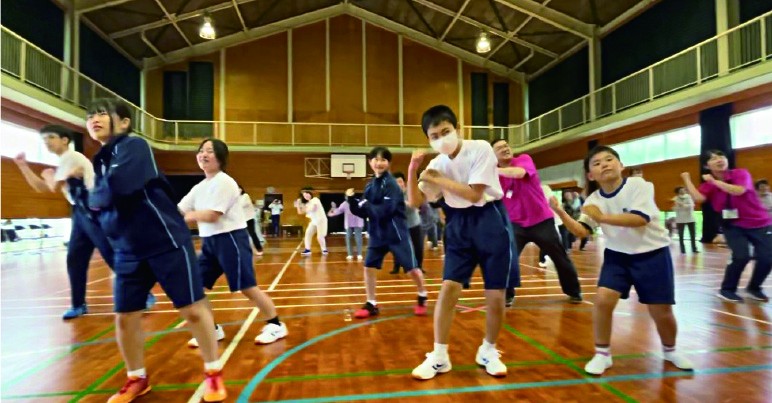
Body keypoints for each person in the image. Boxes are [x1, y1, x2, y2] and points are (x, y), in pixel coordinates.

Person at [85, 98, 225, 402]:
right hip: (127, 250)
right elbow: (99, 207)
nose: (94, 118)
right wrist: (95, 201)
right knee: (125, 316)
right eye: (90, 115)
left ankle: (213, 373)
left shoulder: (134, 147)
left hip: (165, 241)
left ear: (123, 123)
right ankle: (137, 378)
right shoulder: (100, 160)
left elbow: (118, 186)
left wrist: (93, 197)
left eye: (102, 113)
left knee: (191, 309)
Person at [552, 145, 693, 376]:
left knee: (661, 311)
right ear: (590, 175)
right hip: (618, 256)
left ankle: (670, 350)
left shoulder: (639, 185)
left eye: (609, 160)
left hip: (653, 254)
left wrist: (603, 217)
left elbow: (640, 219)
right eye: (596, 163)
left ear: (621, 166)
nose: (604, 164)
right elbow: (582, 230)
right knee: (603, 300)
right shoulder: (593, 200)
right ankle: (602, 354)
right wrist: (561, 213)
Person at [408, 105, 519, 380]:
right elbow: (415, 201)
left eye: (445, 131)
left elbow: (473, 194)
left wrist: (439, 180)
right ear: (429, 140)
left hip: (490, 220)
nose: (441, 138)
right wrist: (413, 170)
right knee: (448, 290)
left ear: (457, 129)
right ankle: (439, 355)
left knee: (496, 296)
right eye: (434, 135)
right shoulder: (435, 165)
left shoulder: (480, 148)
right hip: (457, 225)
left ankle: (489, 350)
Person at [12, 124, 155, 319]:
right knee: (75, 259)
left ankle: (143, 293)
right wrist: (23, 166)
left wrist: (50, 176)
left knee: (110, 254)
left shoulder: (73, 157)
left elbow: (52, 185)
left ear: (65, 140)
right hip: (79, 213)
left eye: (51, 137)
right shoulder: (63, 162)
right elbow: (42, 188)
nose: (47, 142)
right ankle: (78, 304)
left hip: (93, 210)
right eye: (44, 139)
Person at [179, 138, 288, 349]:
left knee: (247, 287)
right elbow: (179, 209)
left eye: (209, 151)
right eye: (201, 151)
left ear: (220, 157)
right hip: (209, 242)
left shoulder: (226, 182)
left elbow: (212, 215)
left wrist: (182, 218)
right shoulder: (199, 187)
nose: (203, 154)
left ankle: (276, 324)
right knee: (195, 286)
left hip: (231, 239)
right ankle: (211, 328)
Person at [491, 138, 582, 306]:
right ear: (492, 155)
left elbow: (518, 173)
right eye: (499, 148)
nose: (505, 148)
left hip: (541, 221)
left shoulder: (523, 159)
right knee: (507, 259)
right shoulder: (494, 176)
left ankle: (574, 291)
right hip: (516, 225)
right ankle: (507, 295)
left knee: (559, 257)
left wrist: (493, 171)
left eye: (506, 145)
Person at [346, 147, 429, 318]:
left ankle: (422, 295)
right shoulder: (370, 185)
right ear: (370, 163)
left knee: (412, 269)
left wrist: (366, 205)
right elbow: (364, 211)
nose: (379, 163)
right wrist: (352, 201)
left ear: (388, 163)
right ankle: (371, 303)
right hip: (377, 234)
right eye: (375, 159)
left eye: (383, 159)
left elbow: (385, 210)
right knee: (368, 267)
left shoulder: (392, 185)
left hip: (396, 234)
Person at [681, 150, 771, 302]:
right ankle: (727, 289)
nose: (719, 159)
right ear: (707, 166)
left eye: (721, 156)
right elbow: (699, 198)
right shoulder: (708, 186)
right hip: (733, 225)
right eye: (713, 158)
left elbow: (739, 190)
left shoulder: (741, 174)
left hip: (759, 222)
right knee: (741, 256)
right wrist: (686, 179)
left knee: (767, 258)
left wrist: (714, 182)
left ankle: (754, 288)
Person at [391, 171, 426, 275]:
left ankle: (419, 266)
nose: (399, 184)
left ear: (404, 183)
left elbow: (412, 207)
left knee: (418, 247)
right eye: (396, 182)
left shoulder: (410, 192)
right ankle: (397, 267)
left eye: (400, 182)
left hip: (414, 224)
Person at [295, 188, 328, 256]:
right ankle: (307, 250)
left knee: (319, 237)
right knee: (307, 234)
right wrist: (298, 205)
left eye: (307, 194)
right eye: (304, 195)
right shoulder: (307, 204)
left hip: (321, 220)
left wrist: (306, 208)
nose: (306, 196)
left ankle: (324, 249)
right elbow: (300, 212)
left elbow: (314, 208)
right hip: (314, 221)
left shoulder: (315, 199)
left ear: (310, 194)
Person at [672, 186, 699, 254]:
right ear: (678, 192)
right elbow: (674, 209)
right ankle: (682, 250)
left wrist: (683, 205)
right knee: (681, 235)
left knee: (692, 234)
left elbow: (692, 205)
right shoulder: (675, 199)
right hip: (680, 219)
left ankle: (694, 248)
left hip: (690, 218)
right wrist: (676, 206)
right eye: (681, 190)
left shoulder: (689, 197)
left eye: (683, 190)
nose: (683, 191)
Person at [239, 186, 264, 256]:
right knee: (241, 235)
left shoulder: (245, 196)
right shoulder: (236, 198)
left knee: (252, 233)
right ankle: (244, 250)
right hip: (241, 220)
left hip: (249, 218)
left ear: (241, 189)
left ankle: (259, 248)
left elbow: (242, 205)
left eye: (238, 188)